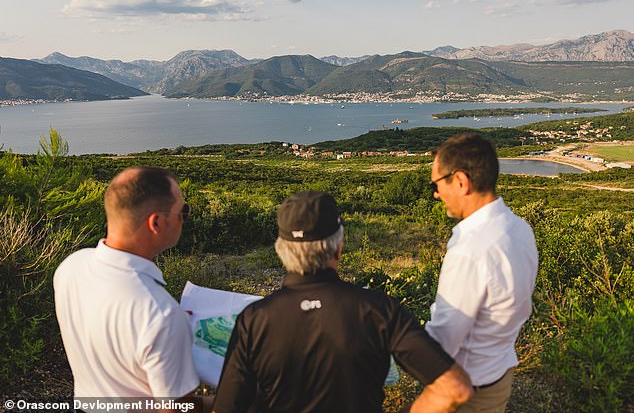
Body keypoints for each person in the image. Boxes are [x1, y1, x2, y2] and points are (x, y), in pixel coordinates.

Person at [213, 191, 473, 413]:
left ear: (281, 250)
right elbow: (454, 388)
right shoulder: (380, 311)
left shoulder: (254, 320)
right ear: (338, 247)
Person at [54, 166, 199, 404]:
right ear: (157, 223)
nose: (185, 218)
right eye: (183, 211)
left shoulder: (70, 267)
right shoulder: (160, 314)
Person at [424, 133, 538, 412]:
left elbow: (444, 340)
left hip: (466, 387)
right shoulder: (519, 228)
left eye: (437, 184)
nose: (437, 193)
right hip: (500, 375)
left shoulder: (470, 251)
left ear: (461, 182)